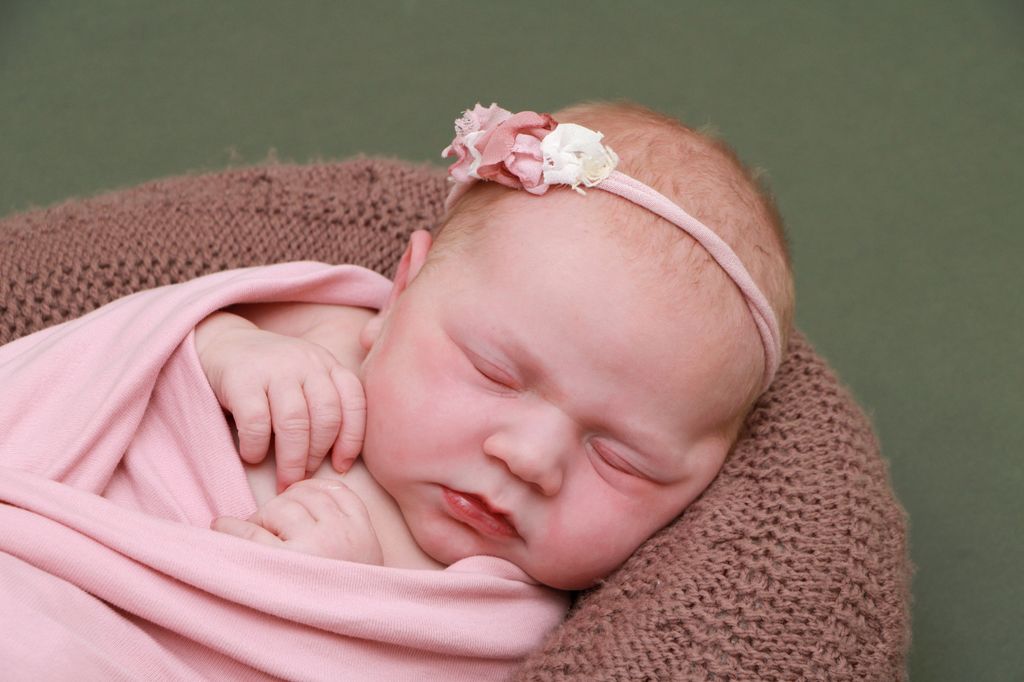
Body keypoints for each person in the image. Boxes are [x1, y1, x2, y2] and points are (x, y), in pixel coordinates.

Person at [196, 101, 795, 591]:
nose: (530, 459)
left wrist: (342, 602)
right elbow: (144, 336)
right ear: (402, 294)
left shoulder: (511, 613)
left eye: (620, 458)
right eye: (495, 374)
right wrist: (223, 347)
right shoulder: (314, 326)